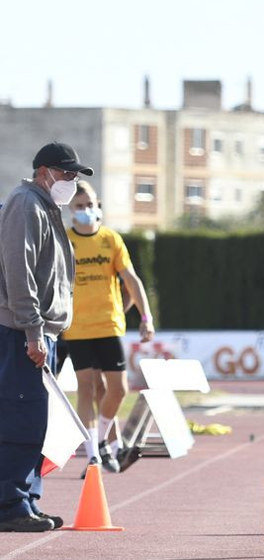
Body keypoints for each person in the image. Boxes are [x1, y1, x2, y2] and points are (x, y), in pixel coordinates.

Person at [0, 142, 92, 532]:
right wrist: (34, 331)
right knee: (23, 417)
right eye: (67, 173)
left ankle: (25, 500)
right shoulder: (25, 203)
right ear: (45, 172)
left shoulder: (43, 206)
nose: (71, 182)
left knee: (35, 419)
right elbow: (18, 271)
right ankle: (11, 505)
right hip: (22, 331)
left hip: (40, 331)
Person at [64, 181, 155, 477]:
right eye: (79, 206)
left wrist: (145, 317)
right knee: (87, 389)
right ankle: (92, 456)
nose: (85, 211)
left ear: (98, 206)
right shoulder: (65, 241)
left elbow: (131, 280)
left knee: (118, 389)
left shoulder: (111, 239)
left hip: (109, 325)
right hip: (77, 327)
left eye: (90, 205)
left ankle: (103, 441)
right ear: (70, 210)